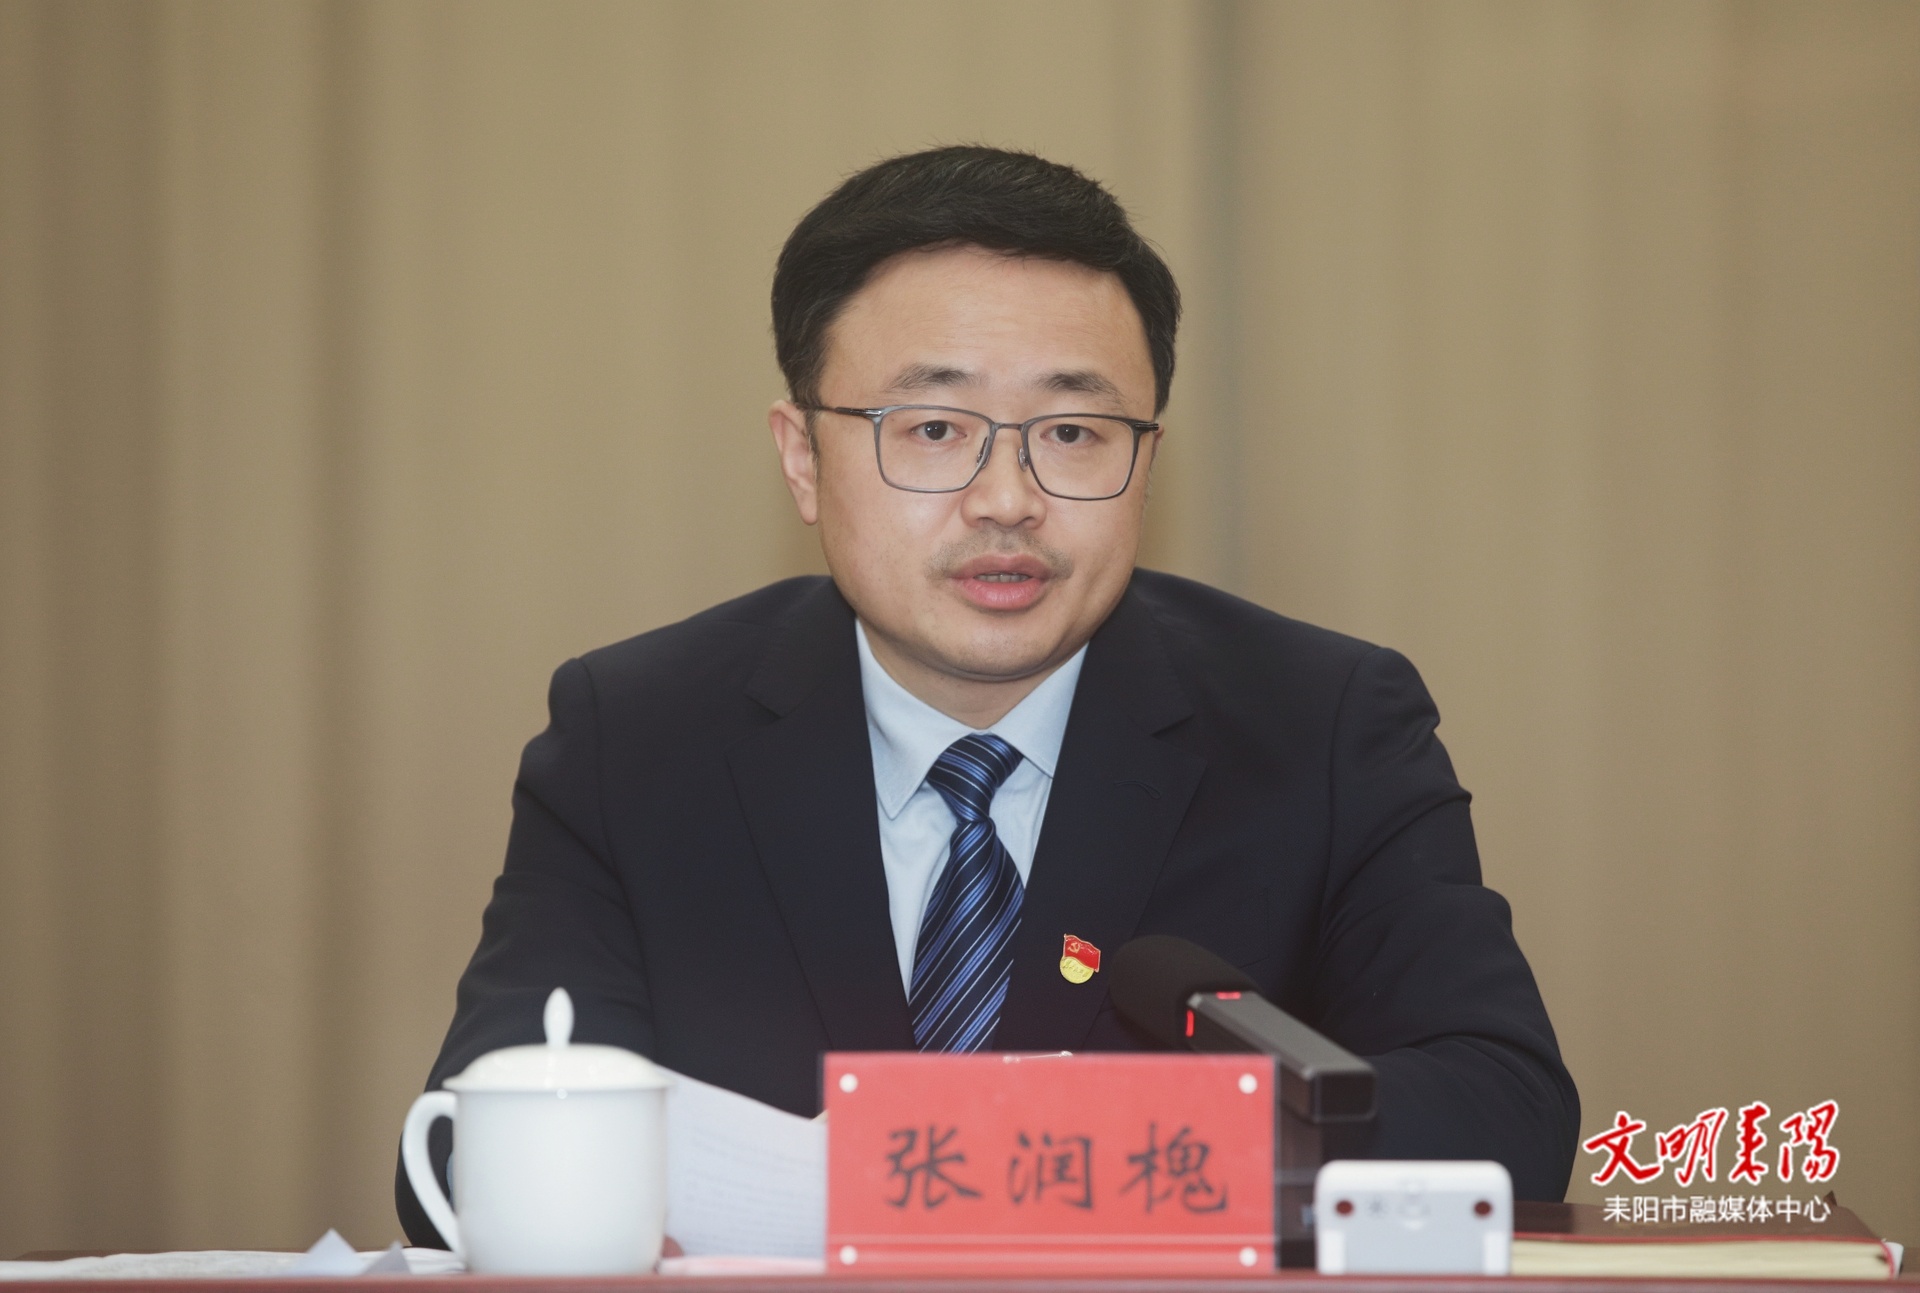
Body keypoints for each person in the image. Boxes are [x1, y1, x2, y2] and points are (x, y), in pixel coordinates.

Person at [398, 145, 1579, 1244]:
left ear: (1145, 462)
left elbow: (1505, 1111)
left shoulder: (1323, 724)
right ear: (803, 457)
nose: (1007, 499)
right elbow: (461, 1145)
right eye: (933, 427)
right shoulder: (638, 734)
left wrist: (1039, 1161)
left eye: (1073, 432)